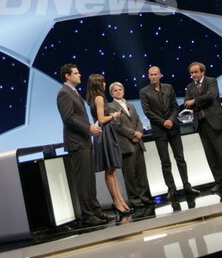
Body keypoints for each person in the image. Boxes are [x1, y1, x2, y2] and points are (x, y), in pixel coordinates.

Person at [56, 63, 111, 227]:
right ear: (67, 76)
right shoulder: (64, 93)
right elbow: (68, 118)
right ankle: (88, 215)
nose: (79, 75)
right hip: (76, 143)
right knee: (83, 182)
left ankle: (96, 211)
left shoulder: (73, 92)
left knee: (90, 180)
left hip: (84, 142)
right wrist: (88, 128)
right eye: (76, 73)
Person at [139, 66, 199, 205]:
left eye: (155, 74)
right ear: (148, 76)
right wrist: (163, 122)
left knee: (180, 158)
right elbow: (147, 111)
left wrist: (171, 120)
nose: (153, 76)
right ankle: (171, 189)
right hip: (159, 130)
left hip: (173, 128)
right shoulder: (144, 92)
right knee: (165, 162)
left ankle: (187, 185)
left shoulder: (168, 88)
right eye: (151, 74)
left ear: (160, 75)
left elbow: (175, 106)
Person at [183, 62, 222, 201]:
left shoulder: (211, 81)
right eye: (192, 73)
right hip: (201, 125)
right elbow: (186, 103)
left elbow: (211, 96)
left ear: (202, 72)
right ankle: (220, 182)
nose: (194, 75)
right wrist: (194, 102)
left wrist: (195, 101)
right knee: (211, 156)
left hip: (216, 123)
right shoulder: (190, 87)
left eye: (196, 72)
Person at [85, 74, 132, 219]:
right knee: (109, 169)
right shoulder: (99, 98)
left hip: (106, 133)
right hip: (104, 134)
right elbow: (101, 119)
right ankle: (116, 201)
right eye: (103, 82)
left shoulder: (96, 98)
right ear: (98, 84)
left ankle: (120, 200)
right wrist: (114, 115)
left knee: (112, 169)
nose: (105, 84)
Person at [109, 81, 154, 216]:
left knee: (141, 173)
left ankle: (145, 198)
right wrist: (133, 134)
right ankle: (135, 201)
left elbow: (138, 121)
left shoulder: (131, 105)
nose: (118, 92)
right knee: (130, 175)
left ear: (123, 91)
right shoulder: (110, 107)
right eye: (115, 90)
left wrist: (139, 133)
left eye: (120, 89)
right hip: (126, 144)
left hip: (137, 142)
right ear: (111, 94)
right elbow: (117, 126)